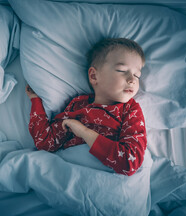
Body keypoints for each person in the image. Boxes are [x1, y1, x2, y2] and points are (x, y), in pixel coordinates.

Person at [26, 38, 147, 176]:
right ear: (94, 76)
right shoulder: (77, 105)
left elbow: (130, 162)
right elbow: (45, 142)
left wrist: (83, 131)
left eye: (137, 75)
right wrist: (36, 101)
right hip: (72, 172)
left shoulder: (131, 111)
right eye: (122, 70)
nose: (132, 80)